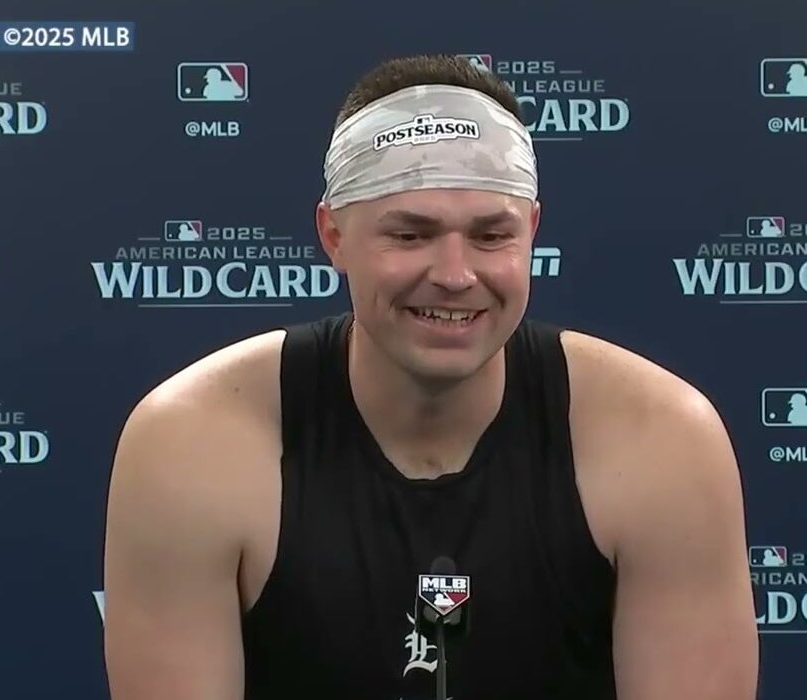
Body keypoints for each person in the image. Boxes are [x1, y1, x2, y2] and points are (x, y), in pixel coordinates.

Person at [102, 54, 759, 699]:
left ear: (532, 231)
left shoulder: (661, 441)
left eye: (491, 236)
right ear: (333, 235)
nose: (454, 274)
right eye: (411, 235)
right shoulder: (193, 443)